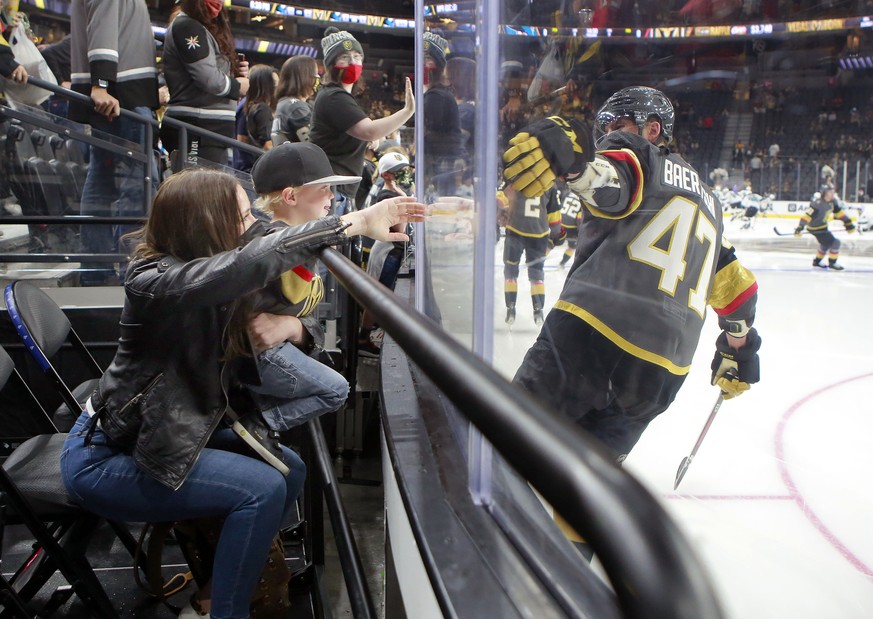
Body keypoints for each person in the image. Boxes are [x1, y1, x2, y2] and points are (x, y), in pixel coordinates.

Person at [60, 167, 424, 619]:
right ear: (204, 223)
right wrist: (349, 223)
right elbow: (245, 264)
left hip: (163, 433)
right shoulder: (154, 279)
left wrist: (295, 327)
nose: (251, 223)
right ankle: (222, 609)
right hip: (108, 457)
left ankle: (217, 585)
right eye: (240, 216)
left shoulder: (213, 262)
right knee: (263, 487)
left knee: (288, 469)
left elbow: (287, 273)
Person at [502, 86, 761, 463]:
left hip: (590, 338)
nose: (607, 134)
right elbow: (738, 291)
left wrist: (573, 158)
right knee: (588, 487)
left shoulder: (640, 155)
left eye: (617, 124)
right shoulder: (710, 203)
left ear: (652, 130)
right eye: (602, 127)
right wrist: (738, 349)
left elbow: (609, 181)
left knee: (509, 446)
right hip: (661, 374)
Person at [240, 142, 359, 431]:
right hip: (262, 355)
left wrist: (294, 326)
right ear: (290, 196)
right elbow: (286, 244)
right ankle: (261, 427)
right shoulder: (274, 239)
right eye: (322, 188)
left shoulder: (297, 241)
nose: (332, 195)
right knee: (336, 389)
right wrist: (361, 222)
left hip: (273, 350)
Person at [69, 0, 160, 285]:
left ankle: (98, 269)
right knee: (140, 184)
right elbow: (103, 26)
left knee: (105, 181)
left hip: (121, 94)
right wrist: (102, 84)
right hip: (121, 96)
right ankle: (135, 268)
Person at [309, 26, 415, 215]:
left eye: (357, 56)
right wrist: (407, 111)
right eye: (345, 57)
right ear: (331, 64)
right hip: (332, 192)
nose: (353, 62)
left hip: (337, 191)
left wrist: (365, 139)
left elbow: (358, 133)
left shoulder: (339, 97)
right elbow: (369, 130)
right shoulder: (334, 97)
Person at [161, 0, 249, 170]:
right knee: (195, 193)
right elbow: (208, 78)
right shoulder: (187, 26)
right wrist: (237, 86)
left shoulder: (201, 27)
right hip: (197, 126)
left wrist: (234, 73)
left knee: (207, 192)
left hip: (208, 129)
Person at [358, 151, 414, 356]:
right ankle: (365, 337)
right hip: (387, 252)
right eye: (399, 171)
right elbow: (400, 230)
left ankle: (367, 335)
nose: (405, 174)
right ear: (386, 175)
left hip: (386, 250)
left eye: (405, 170)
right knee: (379, 296)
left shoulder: (394, 192)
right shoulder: (389, 195)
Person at [500, 182, 564, 326]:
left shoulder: (516, 176)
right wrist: (556, 234)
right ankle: (538, 310)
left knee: (510, 271)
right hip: (538, 234)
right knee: (536, 273)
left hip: (515, 230)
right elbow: (554, 214)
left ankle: (510, 308)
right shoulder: (549, 184)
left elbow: (501, 197)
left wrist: (497, 212)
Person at [422, 31, 467, 197]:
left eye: (428, 58)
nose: (423, 63)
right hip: (441, 163)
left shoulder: (437, 95)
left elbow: (434, 133)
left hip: (441, 164)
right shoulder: (438, 93)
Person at [794, 184, 855, 270]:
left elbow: (839, 213)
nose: (832, 193)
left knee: (826, 243)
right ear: (824, 193)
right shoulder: (817, 204)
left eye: (833, 191)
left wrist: (848, 223)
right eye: (830, 191)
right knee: (835, 242)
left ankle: (817, 261)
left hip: (823, 227)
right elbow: (807, 216)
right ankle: (832, 263)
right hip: (815, 228)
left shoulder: (833, 202)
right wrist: (800, 227)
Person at [232, 64, 276, 173]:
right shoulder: (261, 108)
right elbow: (267, 145)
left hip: (242, 166)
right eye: (274, 83)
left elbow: (241, 138)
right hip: (253, 169)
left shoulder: (246, 104)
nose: (278, 87)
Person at [271, 54, 318, 146]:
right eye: (315, 74)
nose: (318, 78)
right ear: (306, 77)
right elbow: (314, 145)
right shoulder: (297, 107)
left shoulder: (285, 102)